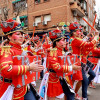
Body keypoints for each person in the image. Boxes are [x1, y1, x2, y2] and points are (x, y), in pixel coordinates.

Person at [0, 19, 44, 100]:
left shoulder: (20, 49)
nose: (21, 36)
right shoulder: (7, 50)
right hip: (11, 88)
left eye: (22, 34)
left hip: (24, 86)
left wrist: (35, 65)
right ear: (9, 36)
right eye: (18, 34)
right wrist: (28, 67)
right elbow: (6, 69)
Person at [46, 29, 81, 100]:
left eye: (65, 40)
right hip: (54, 77)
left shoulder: (62, 51)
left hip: (64, 77)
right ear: (56, 43)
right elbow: (56, 67)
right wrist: (71, 67)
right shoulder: (53, 52)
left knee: (70, 94)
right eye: (63, 40)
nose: (65, 42)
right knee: (52, 96)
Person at [69, 22, 99, 100]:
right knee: (76, 80)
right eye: (78, 31)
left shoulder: (76, 39)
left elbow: (84, 42)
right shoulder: (75, 40)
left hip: (82, 61)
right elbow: (88, 45)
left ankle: (79, 93)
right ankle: (78, 95)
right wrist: (96, 36)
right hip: (78, 62)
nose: (80, 33)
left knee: (83, 79)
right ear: (73, 32)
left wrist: (89, 35)